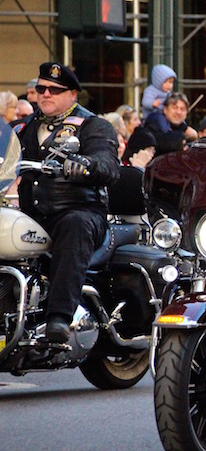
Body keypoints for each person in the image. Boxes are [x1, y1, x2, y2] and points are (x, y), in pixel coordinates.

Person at [16, 62, 119, 343]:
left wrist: (86, 164)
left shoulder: (92, 126)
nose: (46, 94)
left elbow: (109, 165)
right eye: (41, 88)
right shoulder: (25, 127)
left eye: (55, 90)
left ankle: (59, 317)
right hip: (33, 214)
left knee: (75, 225)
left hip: (79, 211)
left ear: (73, 94)